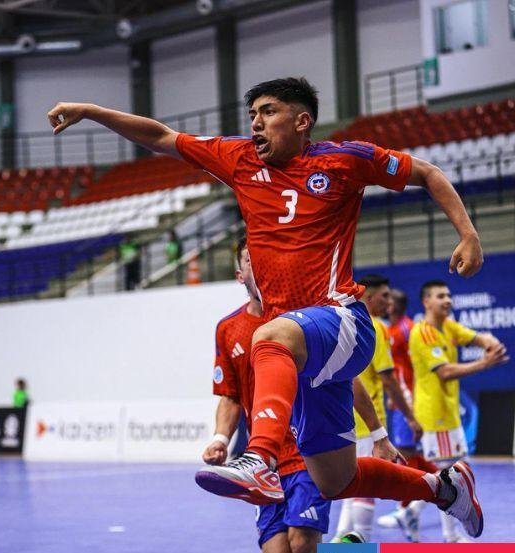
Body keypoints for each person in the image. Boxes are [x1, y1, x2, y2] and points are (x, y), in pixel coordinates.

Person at [48, 76, 485, 538]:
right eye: (252, 114)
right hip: (305, 353)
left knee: (269, 335)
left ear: (302, 121)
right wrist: (92, 111)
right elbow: (160, 137)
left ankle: (259, 457)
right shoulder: (238, 159)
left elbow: (428, 173)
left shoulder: (344, 159)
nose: (255, 122)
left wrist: (468, 234)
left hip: (342, 319)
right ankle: (444, 488)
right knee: (334, 479)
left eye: (268, 111)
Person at [204, 239, 331, 553]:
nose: (257, 263)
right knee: (277, 549)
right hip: (264, 460)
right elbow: (231, 395)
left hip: (307, 450)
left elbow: (339, 377)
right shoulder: (228, 329)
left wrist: (378, 432)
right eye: (249, 260)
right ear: (240, 274)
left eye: (264, 256)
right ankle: (349, 547)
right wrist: (221, 438)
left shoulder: (301, 320)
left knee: (301, 543)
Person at [406, 280, 508, 542]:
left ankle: (411, 511)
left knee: (452, 472)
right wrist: (484, 363)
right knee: (450, 477)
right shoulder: (424, 332)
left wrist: (490, 342)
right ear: (426, 302)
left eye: (449, 295)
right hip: (434, 415)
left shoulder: (447, 327)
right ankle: (450, 536)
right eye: (441, 296)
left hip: (449, 413)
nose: (448, 300)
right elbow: (445, 372)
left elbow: (475, 336)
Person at [330, 274, 419, 542]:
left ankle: (339, 541)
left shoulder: (342, 322)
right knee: (364, 486)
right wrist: (410, 417)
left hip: (340, 418)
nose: (390, 302)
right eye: (385, 296)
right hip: (367, 421)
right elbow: (389, 380)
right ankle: (363, 540)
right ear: (368, 298)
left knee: (350, 482)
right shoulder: (376, 328)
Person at [376, 287, 438, 542]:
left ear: (395, 305)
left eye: (390, 300)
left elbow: (413, 367)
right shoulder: (389, 329)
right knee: (411, 453)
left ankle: (406, 508)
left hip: (409, 400)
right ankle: (412, 504)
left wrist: (408, 398)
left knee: (407, 452)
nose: (386, 303)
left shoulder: (407, 329)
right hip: (399, 400)